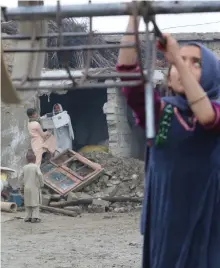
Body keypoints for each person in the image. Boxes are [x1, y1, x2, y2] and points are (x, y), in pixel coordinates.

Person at [117, 15, 220, 268]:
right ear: (169, 73)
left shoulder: (216, 108)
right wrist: (133, 19)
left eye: (196, 62)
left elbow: (206, 116)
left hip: (210, 216)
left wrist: (175, 56)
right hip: (168, 218)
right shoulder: (160, 111)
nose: (185, 65)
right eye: (180, 62)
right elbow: (129, 76)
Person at [19, 150, 44, 223]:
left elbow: (20, 177)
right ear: (35, 159)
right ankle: (35, 217)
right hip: (34, 187)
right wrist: (41, 183)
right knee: (35, 203)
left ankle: (27, 217)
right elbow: (40, 174)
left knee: (27, 203)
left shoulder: (24, 167)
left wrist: (21, 185)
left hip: (26, 187)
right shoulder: (36, 167)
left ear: (27, 159)